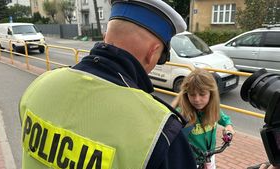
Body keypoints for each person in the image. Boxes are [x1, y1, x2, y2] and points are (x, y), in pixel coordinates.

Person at [19, 0, 197, 168]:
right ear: (153, 53)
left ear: (106, 37)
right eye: (160, 59)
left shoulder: (40, 85)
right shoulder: (161, 130)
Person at [171, 68, 235, 169]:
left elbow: (225, 119)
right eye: (192, 94)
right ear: (186, 95)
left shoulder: (213, 109)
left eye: (202, 94)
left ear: (211, 94)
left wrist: (229, 127)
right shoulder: (181, 114)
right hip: (190, 161)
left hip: (210, 155)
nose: (197, 99)